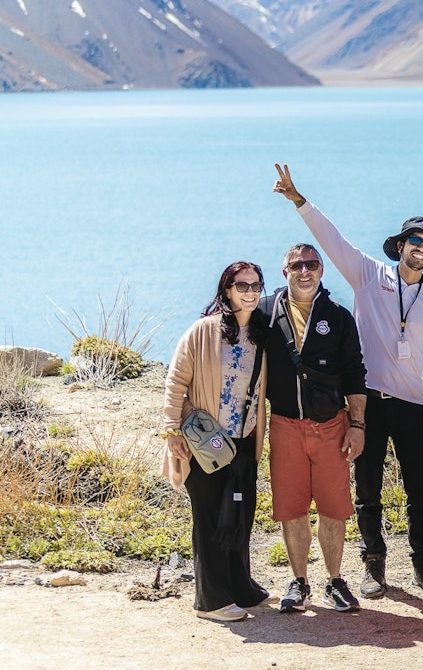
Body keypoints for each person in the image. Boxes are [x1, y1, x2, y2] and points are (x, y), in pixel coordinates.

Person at [272, 164, 423, 601]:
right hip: (365, 405)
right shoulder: (368, 275)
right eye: (415, 241)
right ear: (401, 245)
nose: (421, 250)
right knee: (368, 490)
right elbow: (331, 239)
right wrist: (300, 201)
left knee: (418, 491)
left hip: (412, 405)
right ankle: (373, 568)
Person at [259, 244, 367, 613]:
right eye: (296, 265)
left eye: (312, 264)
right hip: (285, 424)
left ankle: (335, 581)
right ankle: (299, 581)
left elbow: (355, 372)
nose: (304, 271)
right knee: (292, 508)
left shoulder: (337, 317)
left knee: (334, 508)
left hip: (331, 424)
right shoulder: (266, 313)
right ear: (284, 271)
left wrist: (357, 425)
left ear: (322, 270)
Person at [161, 261, 270, 622]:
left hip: (242, 442)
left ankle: (240, 588)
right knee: (209, 519)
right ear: (227, 289)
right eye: (242, 286)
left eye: (256, 286)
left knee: (239, 515)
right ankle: (212, 601)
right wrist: (172, 431)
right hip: (205, 442)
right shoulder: (203, 331)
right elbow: (176, 381)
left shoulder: (258, 334)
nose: (250, 292)